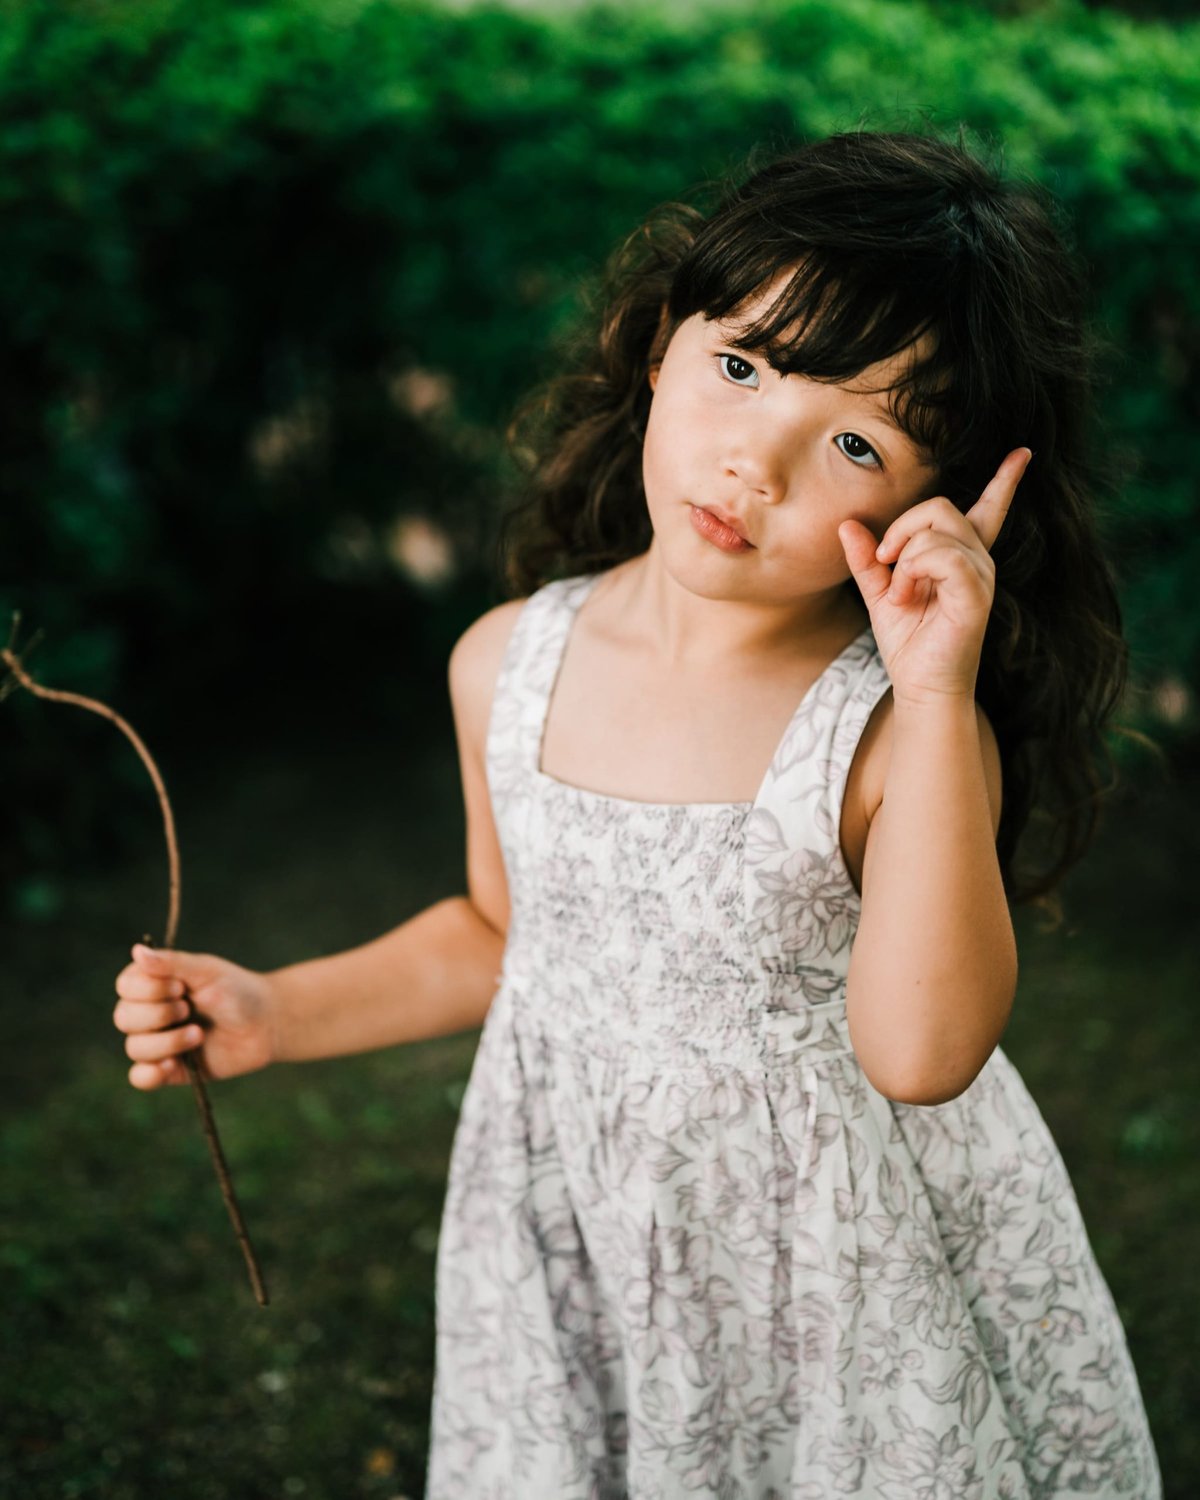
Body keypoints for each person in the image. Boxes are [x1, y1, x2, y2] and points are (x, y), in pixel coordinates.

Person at [112, 129, 1162, 1497]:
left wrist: (941, 687)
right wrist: (278, 1008)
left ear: (935, 506)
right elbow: (507, 936)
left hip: (843, 1276)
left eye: (853, 439)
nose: (755, 466)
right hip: (590, 1235)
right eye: (742, 367)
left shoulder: (893, 733)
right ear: (658, 343)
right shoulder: (505, 663)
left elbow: (921, 1055)